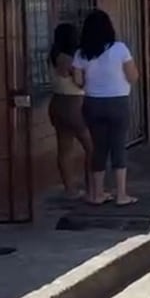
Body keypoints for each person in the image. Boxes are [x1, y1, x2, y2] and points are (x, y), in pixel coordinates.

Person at [72, 9, 140, 206]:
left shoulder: (81, 53)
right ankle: (121, 194)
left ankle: (97, 194)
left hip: (92, 103)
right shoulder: (120, 49)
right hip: (118, 101)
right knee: (118, 146)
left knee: (98, 148)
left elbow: (78, 81)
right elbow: (133, 76)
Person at [48, 23, 94, 200]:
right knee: (92, 148)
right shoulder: (71, 59)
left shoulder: (52, 56)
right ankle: (93, 188)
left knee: (64, 148)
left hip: (56, 103)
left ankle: (70, 190)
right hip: (74, 104)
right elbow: (80, 82)